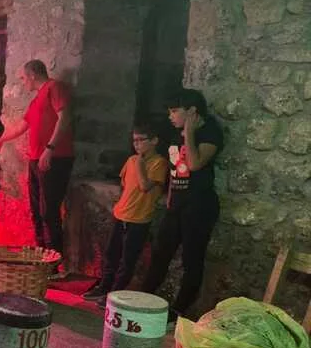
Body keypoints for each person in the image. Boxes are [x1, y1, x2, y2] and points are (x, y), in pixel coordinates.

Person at [141, 90, 223, 317]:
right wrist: (170, 198)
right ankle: (143, 298)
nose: (170, 116)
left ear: (192, 111)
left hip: (199, 205)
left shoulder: (210, 131)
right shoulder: (175, 132)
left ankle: (179, 310)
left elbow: (194, 164)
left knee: (192, 259)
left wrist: (189, 133)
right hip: (177, 204)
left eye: (175, 111)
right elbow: (174, 168)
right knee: (160, 252)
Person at [0, 60, 74, 262]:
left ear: (32, 75)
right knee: (37, 211)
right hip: (35, 159)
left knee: (49, 212)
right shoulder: (36, 100)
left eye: (23, 78)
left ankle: (55, 261)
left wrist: (50, 149)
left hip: (55, 158)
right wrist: (1, 140)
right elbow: (21, 126)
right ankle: (41, 256)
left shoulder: (54, 87)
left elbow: (64, 117)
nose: (23, 82)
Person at [82, 123, 168, 305]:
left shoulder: (159, 163)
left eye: (141, 140)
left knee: (127, 260)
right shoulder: (131, 160)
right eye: (134, 141)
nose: (137, 144)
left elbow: (145, 186)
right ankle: (104, 287)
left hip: (139, 219)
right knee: (111, 255)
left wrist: (140, 165)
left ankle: (115, 294)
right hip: (121, 215)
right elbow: (125, 185)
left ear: (154, 141)